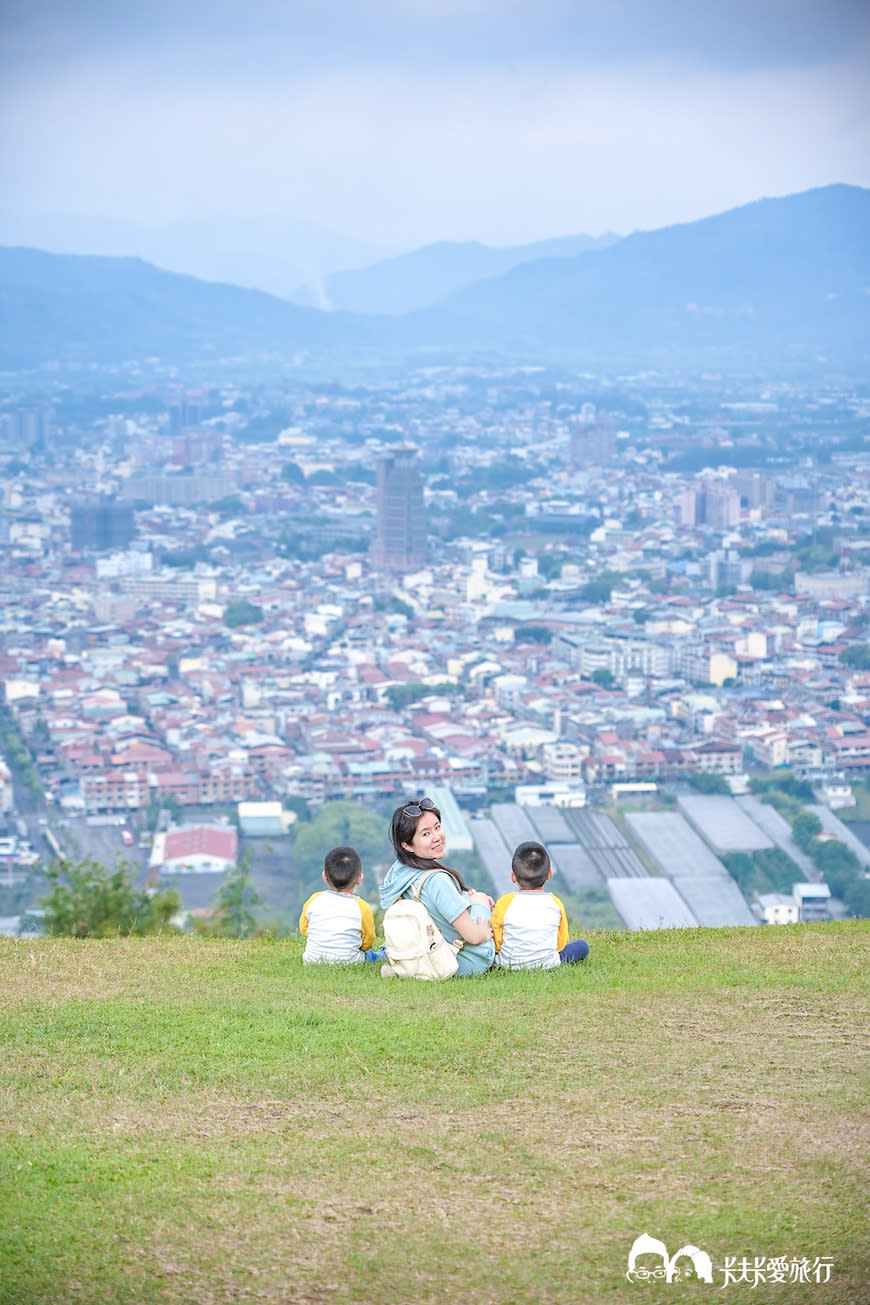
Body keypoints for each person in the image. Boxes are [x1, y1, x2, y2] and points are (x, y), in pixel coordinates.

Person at [380, 798, 496, 976]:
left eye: (437, 827)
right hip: (461, 962)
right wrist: (483, 933)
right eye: (425, 834)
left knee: (473, 896)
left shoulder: (397, 874)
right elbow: (472, 937)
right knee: (480, 898)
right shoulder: (438, 882)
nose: (437, 837)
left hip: (420, 956)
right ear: (407, 845)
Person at [491, 840, 590, 970]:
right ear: (550, 874)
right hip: (548, 963)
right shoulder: (555, 903)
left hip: (507, 963)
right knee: (582, 946)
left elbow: (497, 943)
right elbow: (560, 943)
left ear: (513, 877)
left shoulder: (505, 902)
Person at [299, 845, 386, 965]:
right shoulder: (362, 907)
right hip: (351, 962)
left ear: (324, 876)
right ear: (359, 879)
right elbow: (368, 941)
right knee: (371, 955)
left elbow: (304, 929)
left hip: (312, 960)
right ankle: (384, 955)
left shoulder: (314, 900)